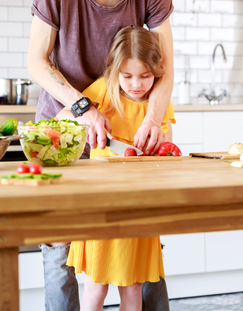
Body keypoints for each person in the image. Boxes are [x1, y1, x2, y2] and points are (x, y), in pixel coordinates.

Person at [27, 0, 174, 311]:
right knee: (61, 247)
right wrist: (82, 107)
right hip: (66, 125)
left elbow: (167, 67)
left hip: (123, 127)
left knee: (141, 237)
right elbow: (36, 61)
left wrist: (154, 118)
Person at [57, 26, 175, 311]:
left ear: (157, 72)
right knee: (96, 286)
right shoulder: (104, 91)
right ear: (114, 70)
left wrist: (158, 146)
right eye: (128, 76)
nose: (136, 84)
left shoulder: (158, 103)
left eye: (146, 76)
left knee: (133, 287)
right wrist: (85, 119)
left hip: (138, 205)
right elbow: (61, 117)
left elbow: (168, 149)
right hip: (103, 204)